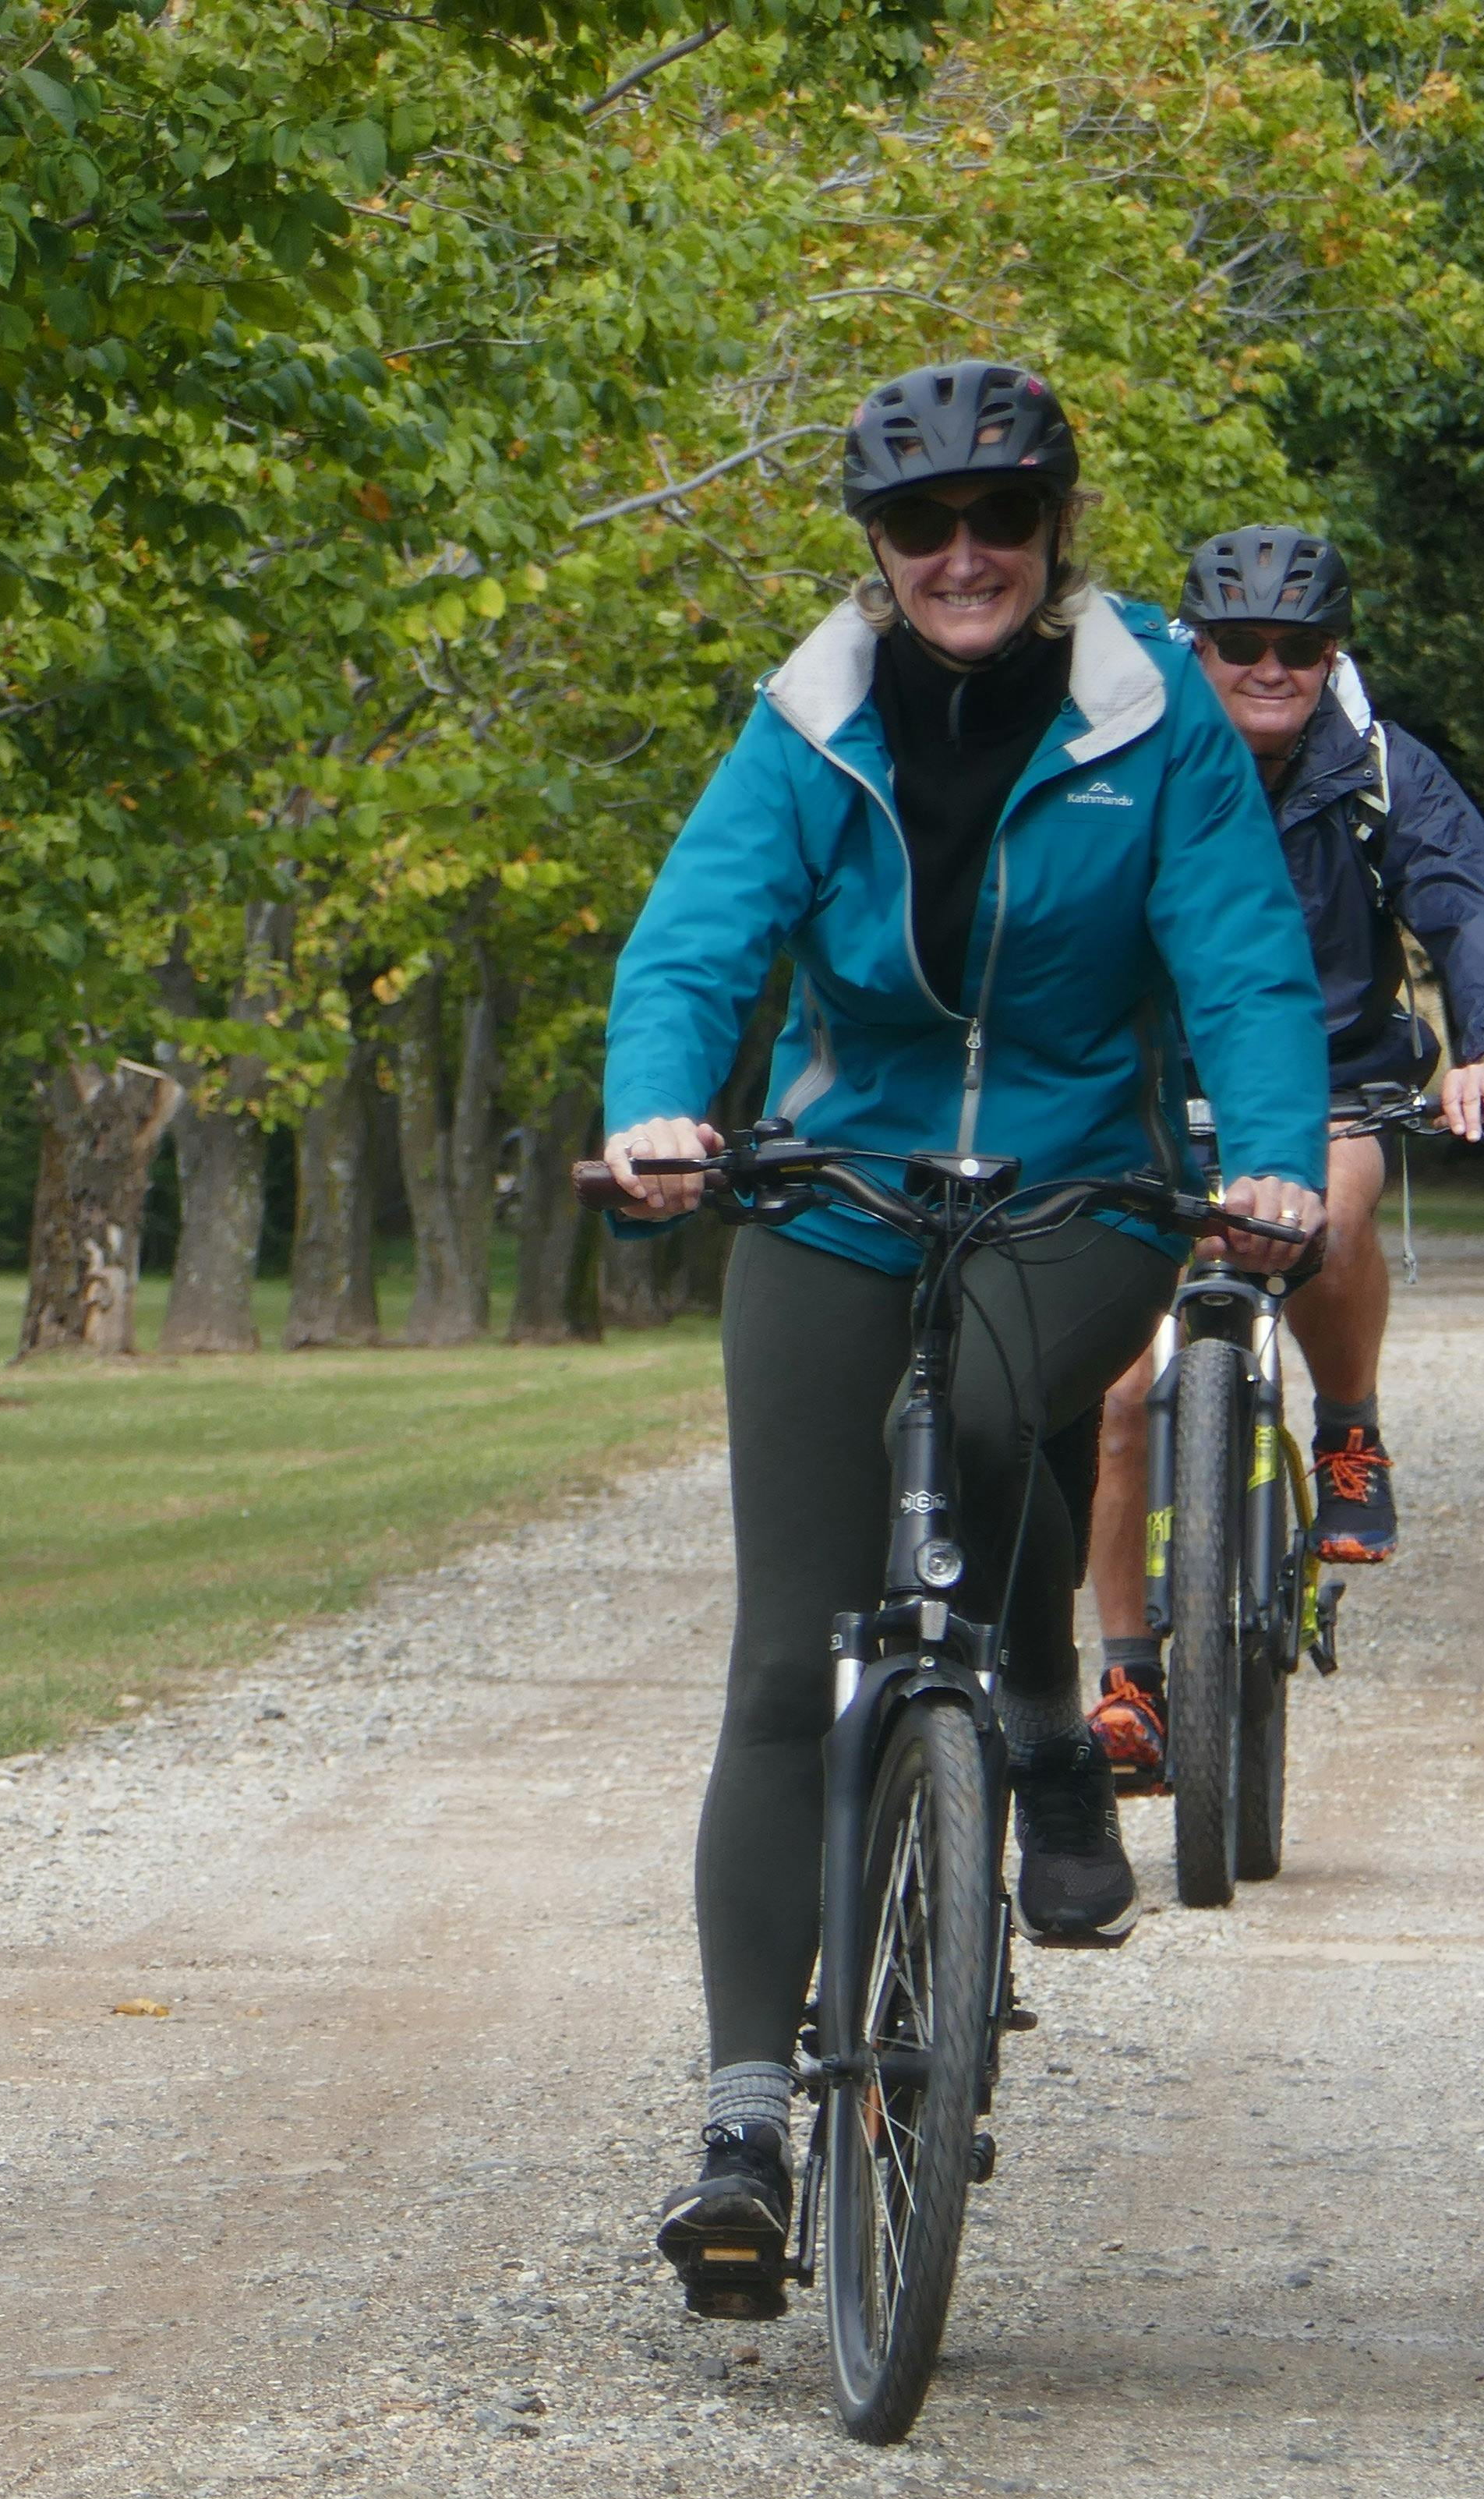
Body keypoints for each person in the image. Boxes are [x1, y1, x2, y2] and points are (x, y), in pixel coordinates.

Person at [597, 362, 1328, 2312]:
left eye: (1002, 519)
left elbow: (1244, 955)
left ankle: (1032, 1721)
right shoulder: (811, 716)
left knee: (1007, 1413)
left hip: (1075, 1180)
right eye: (924, 530)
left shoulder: (1152, 706)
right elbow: (697, 932)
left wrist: (1269, 1165)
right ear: (878, 552)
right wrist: (663, 1107)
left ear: (1057, 528)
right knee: (784, 1653)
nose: (964, 557)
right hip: (839, 1180)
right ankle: (747, 2117)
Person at [1082, 525, 1484, 1785]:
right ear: (1196, 644)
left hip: (1335, 1076)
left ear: (1333, 652)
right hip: (1148, 1097)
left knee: (1326, 1216)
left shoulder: (1383, 769)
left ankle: (1349, 1428)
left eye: (1301, 647)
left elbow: (1464, 905)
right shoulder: (1126, 752)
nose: (1270, 669)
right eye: (1241, 646)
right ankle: (1127, 1675)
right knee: (1118, 1399)